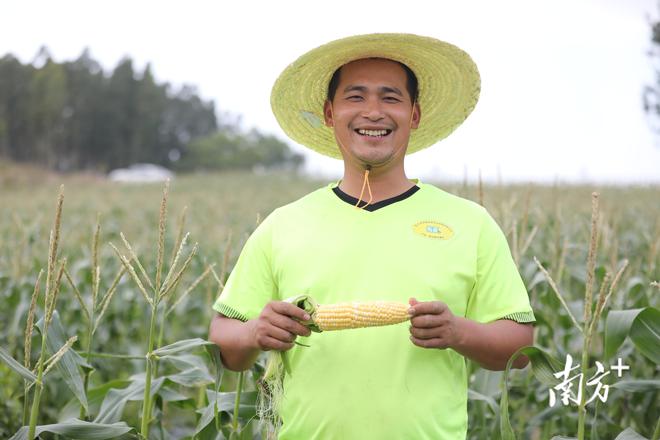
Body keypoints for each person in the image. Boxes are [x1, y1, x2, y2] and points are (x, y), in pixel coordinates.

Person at [208, 33, 535, 439]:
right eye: (356, 97)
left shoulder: (470, 223)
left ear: (414, 114)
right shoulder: (283, 225)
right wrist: (256, 331)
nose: (374, 112)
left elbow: (520, 347)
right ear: (330, 113)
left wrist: (458, 333)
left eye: (391, 98)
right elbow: (223, 342)